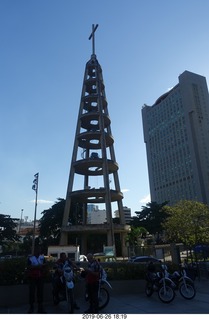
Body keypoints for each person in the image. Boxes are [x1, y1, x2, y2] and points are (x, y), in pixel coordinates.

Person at [27, 247, 46, 313]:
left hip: (40, 277)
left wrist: (42, 267)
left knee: (40, 292)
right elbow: (28, 267)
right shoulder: (30, 258)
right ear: (34, 251)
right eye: (37, 250)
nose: (38, 251)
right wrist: (37, 267)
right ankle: (31, 307)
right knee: (32, 292)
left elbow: (45, 266)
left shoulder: (42, 258)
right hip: (32, 277)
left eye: (39, 250)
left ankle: (40, 308)